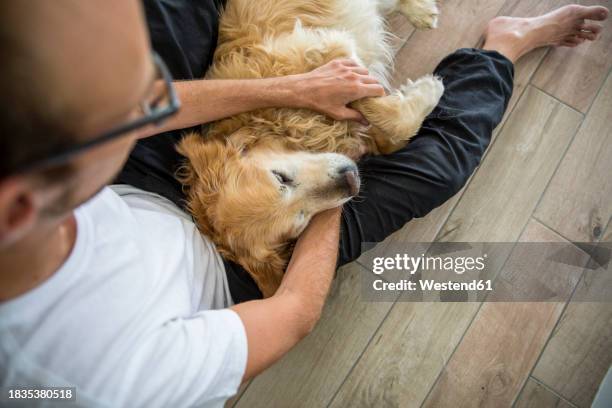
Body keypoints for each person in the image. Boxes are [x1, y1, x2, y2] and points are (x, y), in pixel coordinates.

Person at [0, 0, 608, 406]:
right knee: (438, 168)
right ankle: (502, 48)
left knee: (156, 16)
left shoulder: (47, 165)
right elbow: (294, 315)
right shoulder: (104, 381)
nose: (134, 106)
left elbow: (129, 115)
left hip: (143, 179)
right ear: (22, 204)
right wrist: (338, 176)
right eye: (102, 121)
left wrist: (294, 89)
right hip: (238, 270)